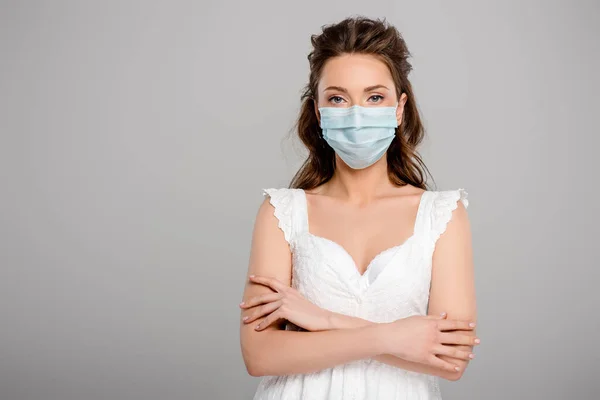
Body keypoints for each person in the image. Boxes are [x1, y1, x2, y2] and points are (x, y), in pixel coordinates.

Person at [239, 16, 479, 400]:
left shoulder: (442, 215)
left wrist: (324, 321)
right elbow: (259, 354)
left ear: (399, 109)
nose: (356, 114)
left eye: (374, 97)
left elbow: (450, 360)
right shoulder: (281, 212)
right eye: (337, 98)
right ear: (318, 113)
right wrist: (393, 336)